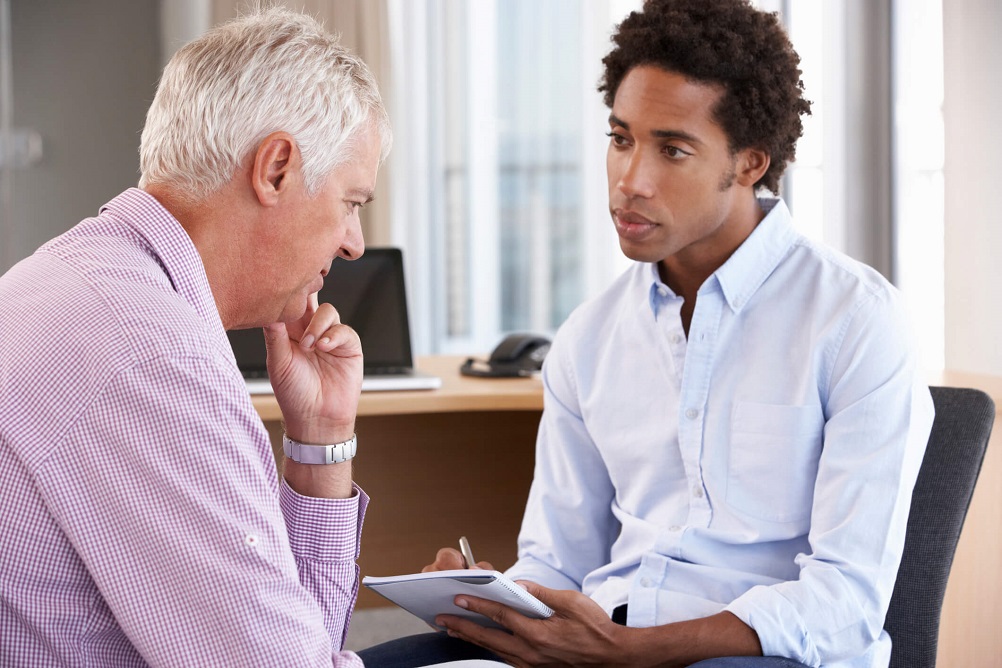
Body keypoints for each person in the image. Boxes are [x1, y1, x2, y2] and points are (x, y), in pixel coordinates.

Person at [358, 1, 934, 666]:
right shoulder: (590, 336)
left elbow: (846, 598)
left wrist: (632, 652)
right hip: (610, 639)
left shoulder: (856, 320)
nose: (630, 182)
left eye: (673, 150)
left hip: (767, 654)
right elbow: (560, 559)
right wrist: (493, 600)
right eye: (621, 139)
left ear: (749, 163)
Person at [0, 8, 390, 666]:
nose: (354, 243)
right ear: (275, 170)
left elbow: (298, 642)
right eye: (352, 203)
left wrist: (320, 442)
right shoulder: (155, 359)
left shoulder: (53, 277)